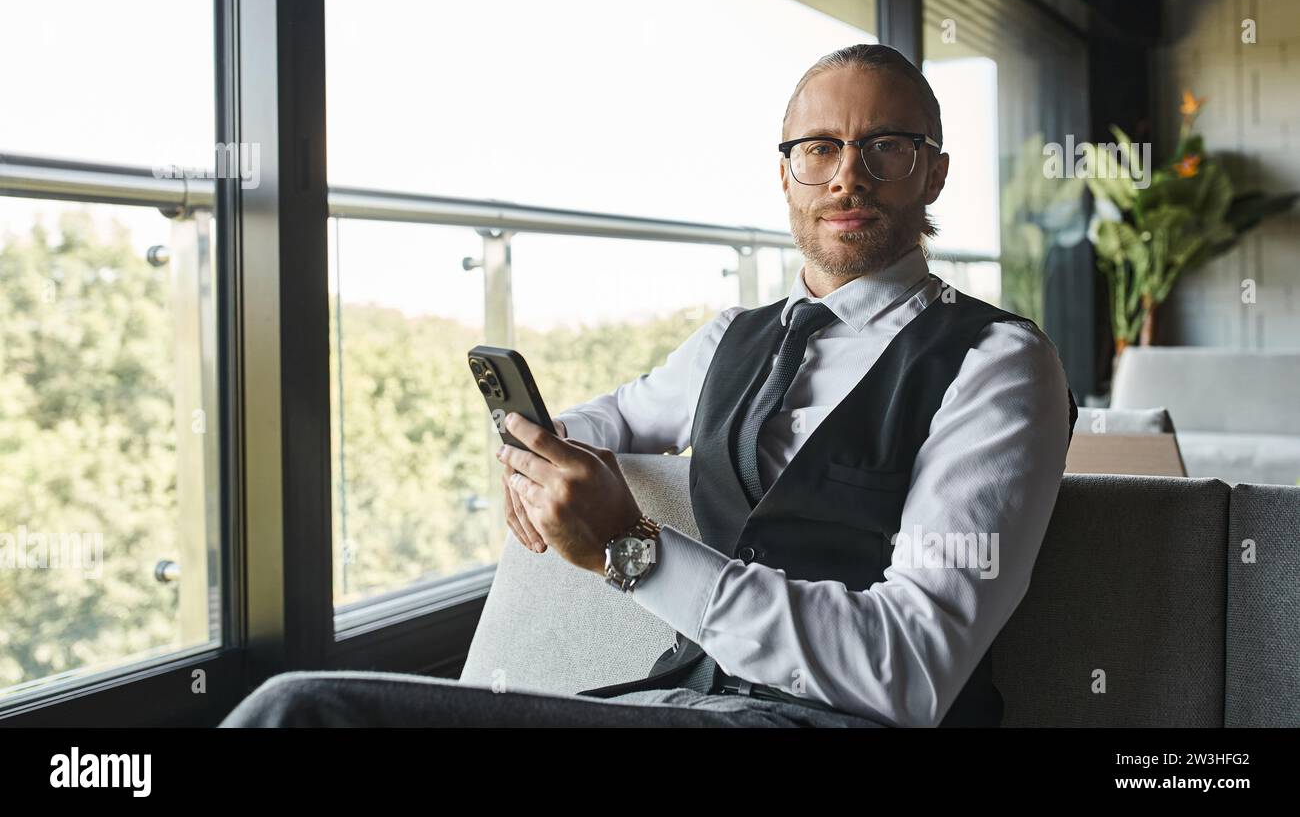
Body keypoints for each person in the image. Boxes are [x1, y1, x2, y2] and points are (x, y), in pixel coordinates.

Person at [220, 43, 1075, 728]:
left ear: (934, 172)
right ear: (787, 175)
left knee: (307, 711)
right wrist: (531, 460)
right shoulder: (732, 340)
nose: (848, 176)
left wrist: (632, 552)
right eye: (820, 148)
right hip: (678, 700)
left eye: (885, 147)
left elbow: (911, 672)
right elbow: (610, 417)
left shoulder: (997, 363)